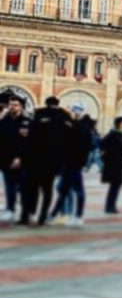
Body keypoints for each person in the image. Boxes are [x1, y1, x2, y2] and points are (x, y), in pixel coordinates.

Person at [23, 96, 69, 226]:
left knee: (33, 188)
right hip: (54, 161)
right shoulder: (64, 117)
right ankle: (43, 217)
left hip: (37, 159)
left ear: (46, 103)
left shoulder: (39, 114)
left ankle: (31, 213)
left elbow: (31, 138)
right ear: (57, 104)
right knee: (47, 189)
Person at [50, 102, 93, 227]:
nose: (74, 112)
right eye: (74, 110)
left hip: (74, 163)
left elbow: (85, 146)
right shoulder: (74, 125)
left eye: (77, 110)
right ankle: (58, 214)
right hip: (68, 163)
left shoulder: (83, 127)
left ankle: (76, 216)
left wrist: (81, 163)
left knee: (75, 190)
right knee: (63, 188)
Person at [0, 93, 30, 223]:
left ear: (21, 107)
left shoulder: (26, 122)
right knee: (9, 187)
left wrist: (19, 157)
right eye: (11, 105)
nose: (13, 107)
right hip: (5, 160)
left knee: (22, 189)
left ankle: (24, 214)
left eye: (16, 105)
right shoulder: (4, 121)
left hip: (21, 161)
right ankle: (10, 210)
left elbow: (26, 143)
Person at [100, 117, 122, 214]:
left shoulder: (120, 135)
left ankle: (111, 206)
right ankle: (109, 207)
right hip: (113, 164)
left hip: (118, 163)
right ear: (119, 124)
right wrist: (108, 158)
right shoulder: (113, 135)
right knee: (114, 185)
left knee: (116, 185)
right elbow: (103, 146)